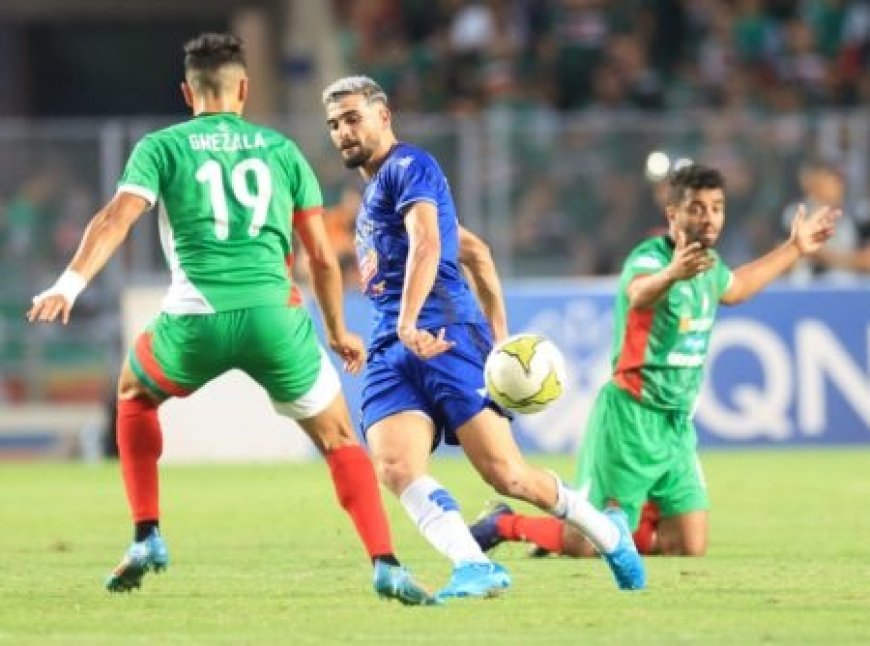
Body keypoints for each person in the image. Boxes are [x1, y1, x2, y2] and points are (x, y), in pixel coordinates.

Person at [27, 33, 436, 606]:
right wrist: (339, 330)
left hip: (196, 320)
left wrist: (69, 283)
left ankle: (147, 534)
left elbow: (117, 217)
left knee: (132, 395)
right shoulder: (283, 150)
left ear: (186, 92)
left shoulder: (161, 147)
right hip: (276, 319)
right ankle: (386, 563)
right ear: (244, 88)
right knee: (340, 438)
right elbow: (320, 255)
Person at [321, 74, 646, 599]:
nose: (343, 131)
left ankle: (610, 535)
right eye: (334, 124)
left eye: (353, 118)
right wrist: (500, 338)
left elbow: (429, 243)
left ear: (384, 116)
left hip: (444, 333)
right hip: (391, 346)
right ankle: (476, 567)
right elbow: (474, 251)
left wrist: (425, 324)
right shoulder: (374, 196)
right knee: (395, 465)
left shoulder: (411, 166)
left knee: (508, 475)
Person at [469, 163, 840, 558]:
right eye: (696, 208)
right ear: (673, 215)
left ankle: (622, 523)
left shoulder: (709, 267)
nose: (709, 217)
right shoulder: (652, 258)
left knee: (688, 545)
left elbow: (738, 289)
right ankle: (504, 524)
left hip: (676, 425)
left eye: (717, 207)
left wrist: (795, 248)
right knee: (586, 546)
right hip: (632, 418)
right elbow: (639, 293)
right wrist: (672, 275)